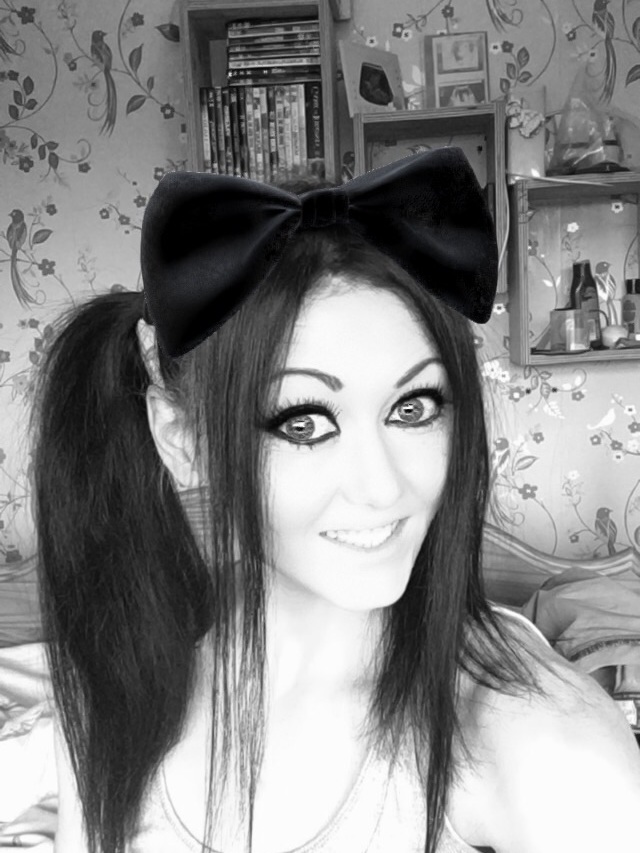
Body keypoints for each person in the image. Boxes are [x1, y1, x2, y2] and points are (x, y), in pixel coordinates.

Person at [29, 149, 640, 853]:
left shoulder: (548, 750)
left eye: (413, 408)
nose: (382, 487)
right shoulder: (108, 694)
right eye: (304, 424)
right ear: (180, 436)